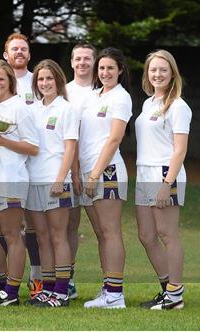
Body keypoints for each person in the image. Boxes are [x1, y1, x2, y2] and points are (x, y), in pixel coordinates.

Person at [0, 60, 39, 306]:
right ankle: (1, 286)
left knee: (12, 235)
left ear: (10, 80)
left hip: (11, 178)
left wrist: (4, 143)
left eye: (1, 79)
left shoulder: (19, 107)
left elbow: (33, 147)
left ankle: (12, 292)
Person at [135, 50, 190, 310]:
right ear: (147, 73)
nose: (157, 74)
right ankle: (167, 289)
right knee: (146, 235)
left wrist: (167, 184)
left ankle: (175, 295)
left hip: (164, 174)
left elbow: (180, 149)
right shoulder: (148, 104)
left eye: (163, 70)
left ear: (172, 73)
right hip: (144, 173)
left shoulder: (178, 106)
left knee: (167, 234)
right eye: (153, 70)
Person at [80, 47, 132, 309]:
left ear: (120, 70)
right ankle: (107, 289)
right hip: (88, 171)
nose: (105, 72)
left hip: (107, 171)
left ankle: (115, 294)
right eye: (101, 68)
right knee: (101, 233)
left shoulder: (121, 98)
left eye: (111, 68)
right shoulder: (93, 96)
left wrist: (94, 174)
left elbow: (114, 138)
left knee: (110, 232)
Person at [25, 59, 79, 308]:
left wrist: (61, 179)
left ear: (58, 80)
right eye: (41, 79)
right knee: (42, 238)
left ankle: (61, 291)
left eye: (49, 78)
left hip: (56, 181)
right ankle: (47, 290)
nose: (45, 83)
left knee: (59, 237)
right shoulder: (32, 109)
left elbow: (70, 148)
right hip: (33, 181)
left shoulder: (67, 109)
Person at [3, 32, 42, 297]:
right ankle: (8, 280)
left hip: (36, 163)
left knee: (35, 225)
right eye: (14, 49)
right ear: (6, 54)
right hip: (6, 167)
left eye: (23, 49)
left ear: (29, 54)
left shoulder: (38, 82)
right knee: (4, 226)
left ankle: (38, 278)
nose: (19, 52)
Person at [65, 42, 99, 299]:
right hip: (69, 169)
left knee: (103, 229)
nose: (83, 63)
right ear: (72, 61)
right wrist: (73, 172)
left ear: (94, 62)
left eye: (87, 58)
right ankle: (68, 280)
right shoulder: (64, 91)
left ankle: (110, 284)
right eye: (78, 58)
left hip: (97, 167)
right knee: (69, 226)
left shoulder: (103, 92)